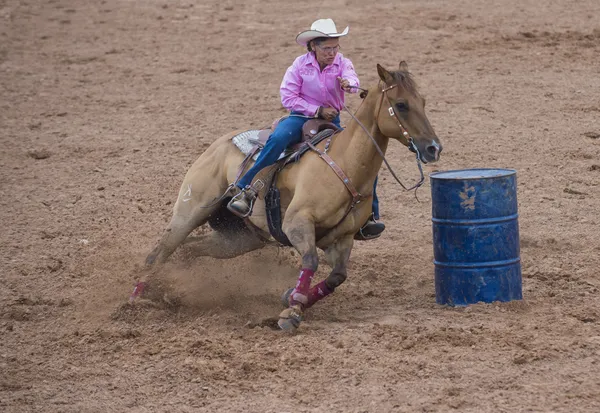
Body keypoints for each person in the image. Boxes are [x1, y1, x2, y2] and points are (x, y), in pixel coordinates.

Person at [227, 18, 385, 239]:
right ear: (313, 46)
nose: (332, 53)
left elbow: (353, 81)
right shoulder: (299, 65)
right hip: (300, 118)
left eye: (335, 47)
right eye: (327, 48)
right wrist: (317, 110)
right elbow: (288, 97)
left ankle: (369, 215)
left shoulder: (343, 63)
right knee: (278, 139)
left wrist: (349, 85)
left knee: (364, 155)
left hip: (333, 121)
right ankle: (246, 188)